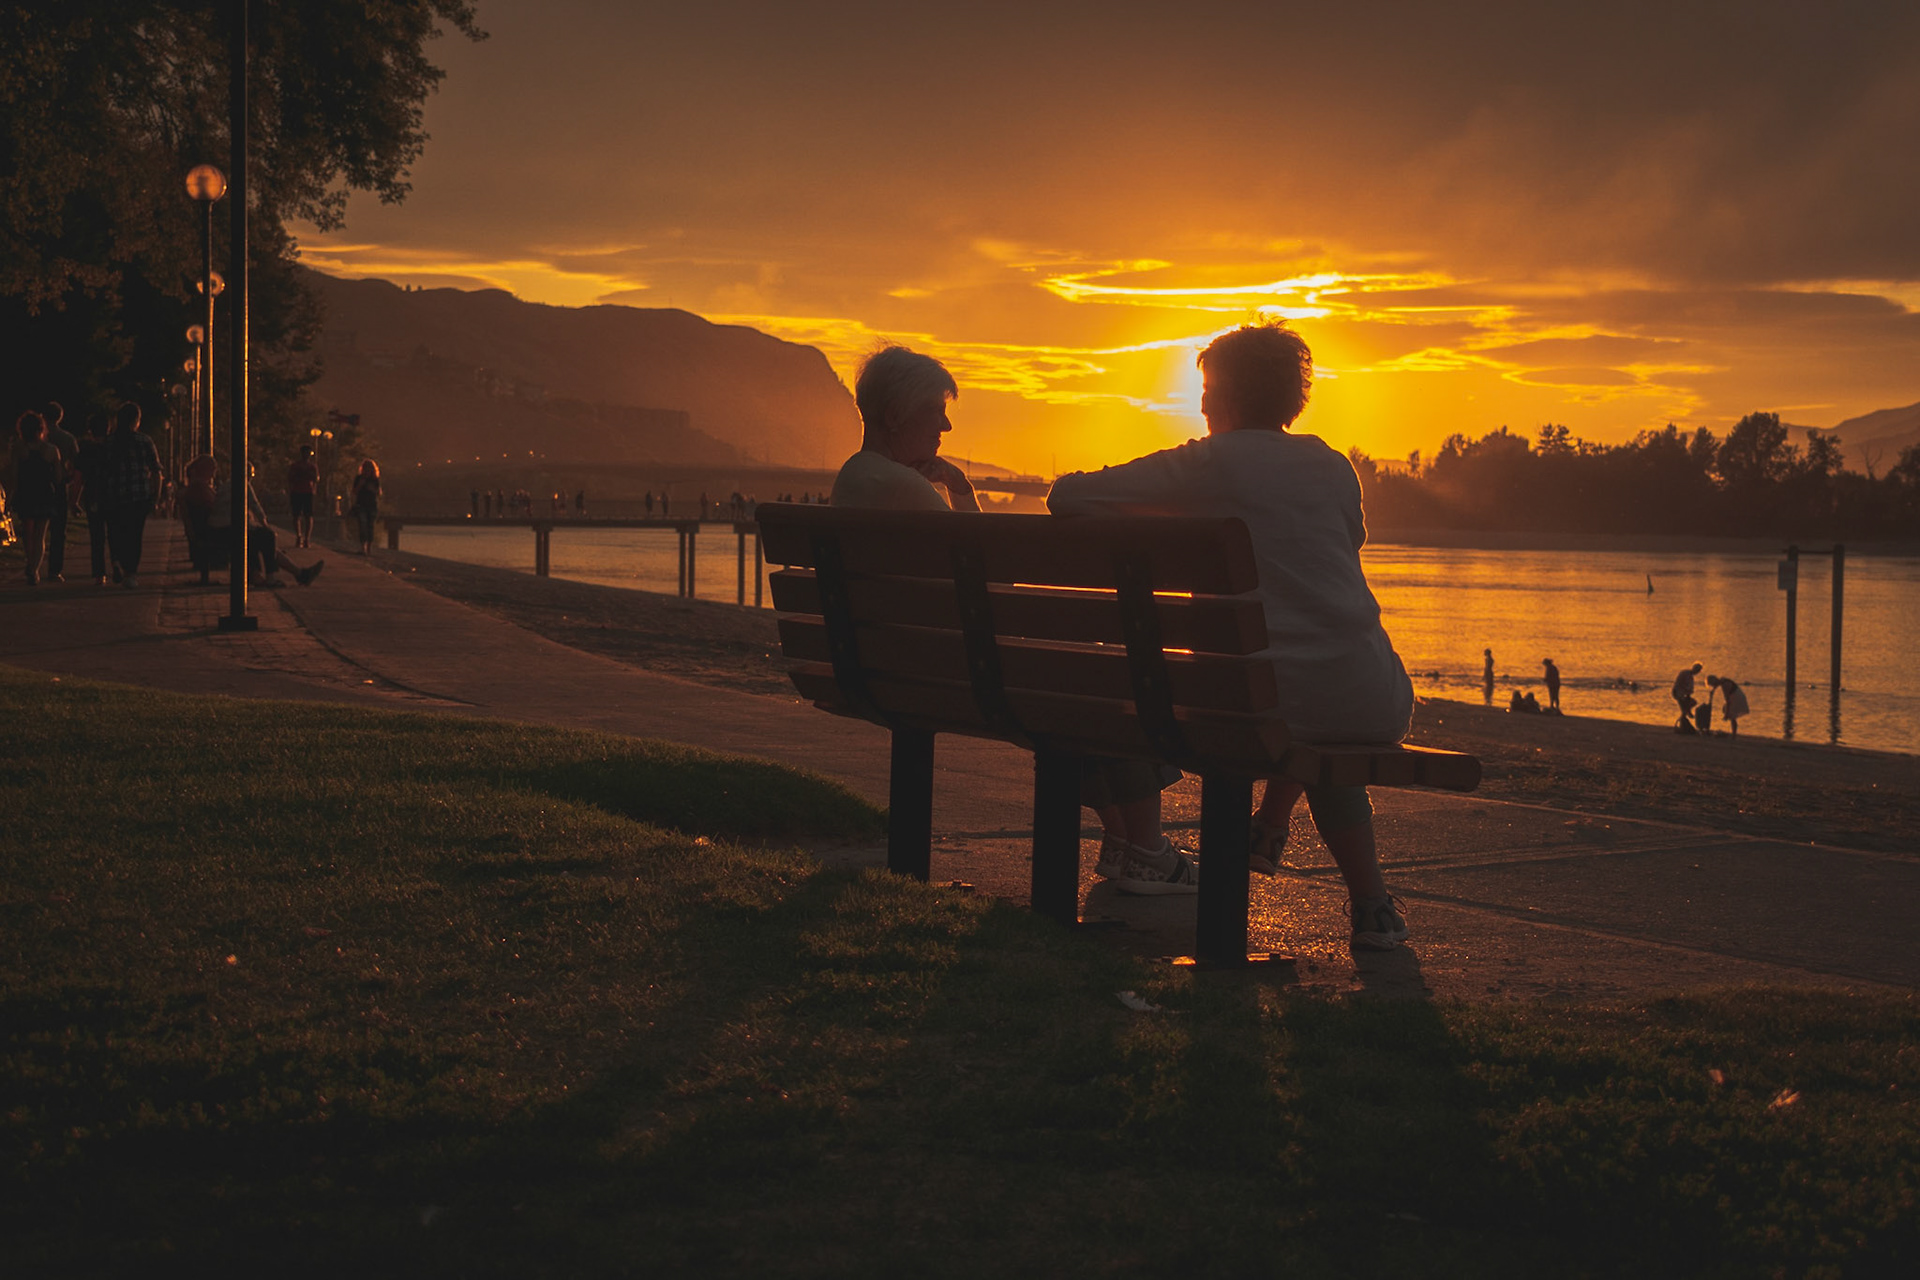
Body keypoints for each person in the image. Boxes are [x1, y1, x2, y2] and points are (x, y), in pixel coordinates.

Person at [1049, 322, 1415, 949]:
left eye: (1210, 389)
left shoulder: (1207, 463)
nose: (1203, 403)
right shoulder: (1333, 466)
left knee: (1275, 689)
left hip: (1247, 703)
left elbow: (1068, 496)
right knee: (1310, 695)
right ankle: (1368, 902)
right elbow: (1348, 546)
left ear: (1230, 396)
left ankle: (1275, 827)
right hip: (1371, 695)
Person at [833, 346, 1183, 889]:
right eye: (935, 409)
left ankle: (1123, 839)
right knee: (1108, 679)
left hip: (894, 668)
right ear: (897, 414)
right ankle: (1148, 849)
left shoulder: (858, 479)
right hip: (959, 678)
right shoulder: (900, 486)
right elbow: (989, 581)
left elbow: (970, 578)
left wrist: (957, 491)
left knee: (1074, 683)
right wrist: (964, 494)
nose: (946, 424)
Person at [100, 401, 161, 589]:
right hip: (138, 496)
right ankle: (130, 573)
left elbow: (102, 471)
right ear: (136, 420)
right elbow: (156, 471)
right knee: (134, 535)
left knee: (115, 532)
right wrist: (156, 496)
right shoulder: (144, 441)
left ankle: (116, 561)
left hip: (114, 495)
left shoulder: (109, 442)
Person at [7, 411, 64, 584]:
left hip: (26, 494)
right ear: (42, 429)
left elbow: (13, 477)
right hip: (45, 494)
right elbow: (58, 478)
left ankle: (31, 565)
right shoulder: (52, 450)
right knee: (40, 535)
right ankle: (34, 569)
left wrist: (9, 499)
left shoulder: (19, 449)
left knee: (27, 533)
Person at [43, 402, 77, 582]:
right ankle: (54, 570)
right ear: (60, 417)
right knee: (58, 529)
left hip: (38, 484)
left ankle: (32, 564)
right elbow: (76, 463)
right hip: (59, 485)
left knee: (36, 526)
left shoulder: (38, 437)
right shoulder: (68, 438)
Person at [180, 451, 220, 582]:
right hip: (208, 532)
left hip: (203, 531)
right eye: (212, 470)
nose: (214, 473)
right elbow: (213, 507)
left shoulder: (195, 488)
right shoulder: (200, 489)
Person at [287, 444, 320, 548]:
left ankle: (307, 538)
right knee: (296, 515)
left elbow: (316, 479)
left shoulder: (312, 467)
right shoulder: (295, 465)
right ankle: (299, 536)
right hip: (297, 491)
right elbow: (290, 478)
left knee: (308, 516)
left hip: (308, 492)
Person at [349, 459, 381, 554]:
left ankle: (369, 548)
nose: (367, 471)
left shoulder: (375, 480)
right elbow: (354, 492)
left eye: (369, 469)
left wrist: (372, 489)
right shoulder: (359, 478)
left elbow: (378, 492)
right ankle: (363, 547)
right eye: (365, 468)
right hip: (361, 505)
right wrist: (360, 484)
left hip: (371, 505)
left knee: (370, 526)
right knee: (362, 525)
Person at [1672, 661, 1703, 729]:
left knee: (1692, 703)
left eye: (1698, 671)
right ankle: (1683, 721)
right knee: (1684, 708)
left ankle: (1685, 718)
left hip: (1683, 694)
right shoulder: (1685, 673)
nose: (1697, 672)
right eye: (1697, 670)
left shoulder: (1690, 676)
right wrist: (1685, 692)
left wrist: (1688, 693)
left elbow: (1689, 689)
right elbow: (1680, 684)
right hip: (1678, 693)